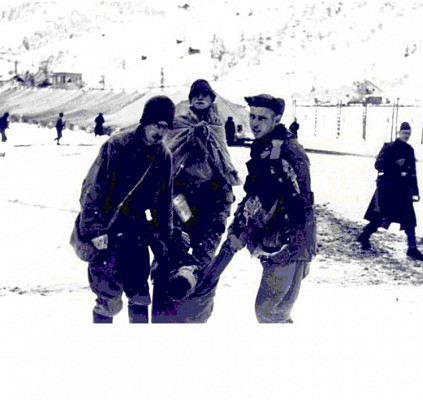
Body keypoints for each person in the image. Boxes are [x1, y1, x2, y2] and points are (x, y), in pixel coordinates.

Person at [76, 96, 191, 323]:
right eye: (156, 125)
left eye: (165, 127)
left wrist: (168, 236)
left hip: (137, 233)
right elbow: (92, 190)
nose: (160, 132)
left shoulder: (163, 156)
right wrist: (95, 229)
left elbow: (164, 203)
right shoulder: (117, 145)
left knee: (139, 295)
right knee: (108, 299)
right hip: (108, 231)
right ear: (145, 121)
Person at [216, 94, 316, 323]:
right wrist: (240, 226)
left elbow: (302, 203)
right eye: (252, 116)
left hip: (290, 243)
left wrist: (296, 245)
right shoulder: (264, 147)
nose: (254, 123)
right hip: (274, 240)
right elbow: (257, 194)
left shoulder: (291, 151)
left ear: (277, 118)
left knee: (270, 311)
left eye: (262, 117)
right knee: (273, 312)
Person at [152, 79, 241, 323]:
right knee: (172, 251)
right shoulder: (179, 122)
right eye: (195, 95)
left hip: (210, 199)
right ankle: (164, 312)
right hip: (181, 196)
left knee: (203, 260)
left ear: (212, 99)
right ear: (190, 99)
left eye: (205, 95)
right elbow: (170, 151)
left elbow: (222, 156)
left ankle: (195, 313)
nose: (200, 99)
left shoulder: (216, 125)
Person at [357, 122, 423, 261]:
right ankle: (364, 236)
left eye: (408, 133)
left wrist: (414, 190)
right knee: (378, 218)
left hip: (403, 191)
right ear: (399, 133)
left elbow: (412, 171)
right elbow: (378, 164)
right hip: (388, 190)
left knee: (409, 220)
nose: (406, 136)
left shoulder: (409, 149)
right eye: (404, 133)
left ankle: (412, 249)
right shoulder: (389, 147)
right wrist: (397, 168)